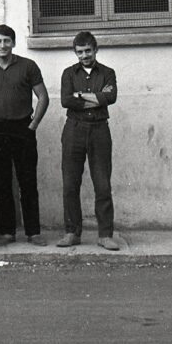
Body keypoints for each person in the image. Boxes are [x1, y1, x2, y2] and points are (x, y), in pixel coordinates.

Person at [0, 24, 50, 247]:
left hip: (23, 128)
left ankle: (33, 232)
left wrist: (33, 125)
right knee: (2, 183)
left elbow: (43, 97)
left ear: (13, 43)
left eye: (6, 41)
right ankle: (7, 232)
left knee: (28, 182)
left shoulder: (28, 66)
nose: (2, 45)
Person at [58, 31, 120, 251]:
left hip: (99, 130)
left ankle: (105, 235)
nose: (84, 56)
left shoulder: (107, 73)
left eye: (88, 51)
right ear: (75, 53)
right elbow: (66, 101)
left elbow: (111, 97)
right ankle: (72, 233)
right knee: (70, 183)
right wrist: (97, 97)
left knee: (102, 184)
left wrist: (80, 96)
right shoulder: (68, 73)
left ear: (95, 50)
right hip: (74, 130)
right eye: (80, 52)